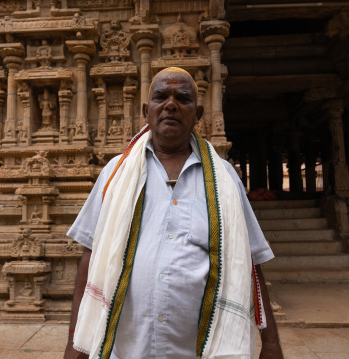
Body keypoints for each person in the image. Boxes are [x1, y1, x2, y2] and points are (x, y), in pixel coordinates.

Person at [64, 67, 283, 359]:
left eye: (182, 98)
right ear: (146, 110)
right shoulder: (114, 174)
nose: (171, 104)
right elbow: (90, 257)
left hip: (201, 350)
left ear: (198, 113)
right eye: (160, 97)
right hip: (126, 349)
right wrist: (74, 344)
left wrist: (271, 343)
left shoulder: (224, 179)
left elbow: (250, 261)